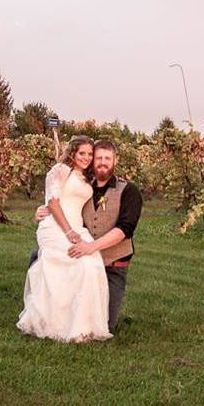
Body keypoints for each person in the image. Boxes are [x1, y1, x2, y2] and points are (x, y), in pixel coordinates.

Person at [31, 139, 143, 333]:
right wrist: (42, 210)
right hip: (84, 252)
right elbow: (61, 202)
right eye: (98, 157)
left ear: (115, 161)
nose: (102, 162)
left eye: (107, 158)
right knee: (41, 257)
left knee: (106, 324)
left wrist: (90, 247)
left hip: (113, 265)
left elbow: (125, 229)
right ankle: (50, 317)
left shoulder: (129, 190)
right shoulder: (84, 184)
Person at [17, 136, 112, 342]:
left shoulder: (88, 178)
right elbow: (52, 201)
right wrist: (67, 231)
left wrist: (75, 231)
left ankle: (83, 326)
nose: (86, 158)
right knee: (72, 265)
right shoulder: (59, 170)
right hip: (56, 227)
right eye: (82, 153)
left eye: (89, 154)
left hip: (77, 228)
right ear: (72, 153)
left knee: (91, 265)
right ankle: (52, 323)